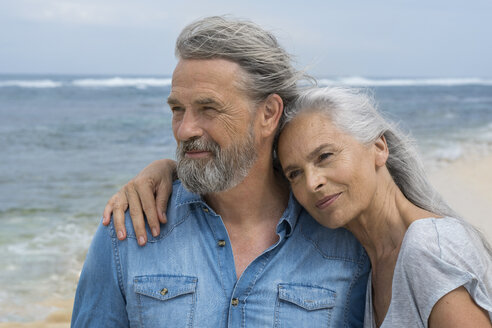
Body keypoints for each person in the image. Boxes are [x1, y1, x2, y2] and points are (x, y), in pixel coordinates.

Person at [71, 17, 370, 327]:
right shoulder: (129, 228)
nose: (185, 130)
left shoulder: (347, 242)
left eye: (208, 109)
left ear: (268, 114)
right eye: (177, 110)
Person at [109, 87, 492, 328]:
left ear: (378, 148)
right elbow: (245, 174)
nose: (312, 183)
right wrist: (170, 170)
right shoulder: (365, 255)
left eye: (325, 156)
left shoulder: (427, 247)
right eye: (294, 173)